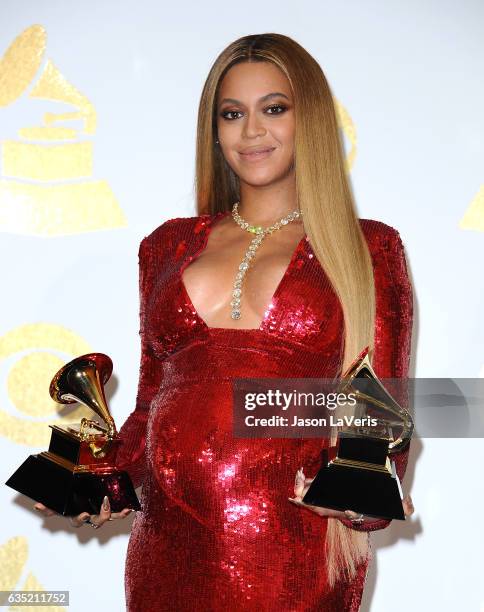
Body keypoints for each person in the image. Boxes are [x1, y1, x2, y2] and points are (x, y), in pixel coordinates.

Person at [34, 32, 415, 611]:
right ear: (214, 129)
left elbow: (379, 398)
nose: (251, 131)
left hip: (293, 550)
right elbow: (152, 399)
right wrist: (102, 478)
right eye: (232, 113)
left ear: (307, 118)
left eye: (274, 109)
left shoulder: (368, 248)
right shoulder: (165, 246)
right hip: (167, 548)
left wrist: (362, 491)